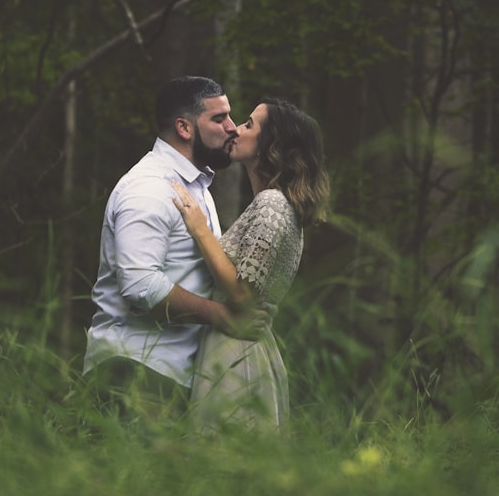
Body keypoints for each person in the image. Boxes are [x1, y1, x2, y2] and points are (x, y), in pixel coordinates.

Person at [82, 76, 268, 423]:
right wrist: (222, 316)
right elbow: (139, 285)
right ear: (184, 127)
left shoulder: (196, 187)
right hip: (134, 373)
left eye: (231, 116)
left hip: (170, 378)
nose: (231, 128)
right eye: (218, 118)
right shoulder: (148, 188)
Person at [171, 97, 330, 431]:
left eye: (248, 125)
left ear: (271, 144)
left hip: (236, 353)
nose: (235, 130)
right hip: (237, 346)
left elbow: (243, 296)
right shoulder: (271, 205)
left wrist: (200, 230)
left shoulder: (273, 205)